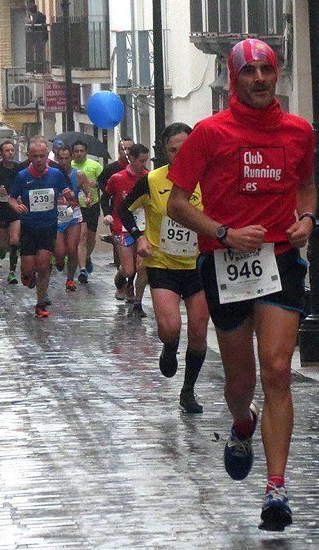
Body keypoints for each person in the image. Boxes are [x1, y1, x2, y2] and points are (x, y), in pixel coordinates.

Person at [167, 38, 315, 532]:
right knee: (240, 381)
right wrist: (224, 233)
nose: (259, 79)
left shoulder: (298, 131)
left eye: (266, 70)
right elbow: (177, 204)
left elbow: (308, 185)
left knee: (277, 368)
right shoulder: (209, 133)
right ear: (234, 78)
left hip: (281, 259)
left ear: (277, 75)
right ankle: (242, 422)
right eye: (249, 72)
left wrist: (308, 218)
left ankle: (276, 489)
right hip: (226, 262)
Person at [118, 123, 209, 413]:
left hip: (199, 265)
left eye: (185, 148)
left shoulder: (208, 179)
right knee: (170, 327)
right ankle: (169, 347)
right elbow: (123, 210)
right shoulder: (153, 180)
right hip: (163, 264)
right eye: (173, 150)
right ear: (164, 151)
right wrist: (139, 237)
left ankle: (188, 390)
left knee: (198, 331)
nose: (180, 155)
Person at [9, 137, 73, 318]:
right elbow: (12, 198)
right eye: (35, 156)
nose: (38, 160)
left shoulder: (56, 174)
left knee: (44, 266)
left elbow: (69, 194)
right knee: (28, 271)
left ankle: (40, 303)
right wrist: (16, 206)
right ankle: (29, 277)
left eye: (42, 156)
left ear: (47, 156)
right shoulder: (22, 176)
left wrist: (69, 194)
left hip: (48, 226)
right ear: (29, 156)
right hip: (28, 227)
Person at [103, 144, 149, 309]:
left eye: (146, 160)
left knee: (142, 266)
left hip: (143, 227)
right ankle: (121, 280)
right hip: (122, 226)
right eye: (141, 161)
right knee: (129, 270)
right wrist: (107, 214)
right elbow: (105, 197)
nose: (143, 164)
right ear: (132, 159)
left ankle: (138, 301)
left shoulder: (149, 177)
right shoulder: (117, 178)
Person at [98, 137, 134, 291]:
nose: (126, 152)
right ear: (119, 150)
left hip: (138, 218)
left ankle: (130, 283)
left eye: (129, 149)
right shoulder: (112, 169)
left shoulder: (143, 173)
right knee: (122, 252)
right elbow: (102, 185)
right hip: (118, 215)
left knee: (136, 257)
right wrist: (111, 192)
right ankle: (124, 279)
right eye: (123, 149)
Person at [0, 140, 25, 284]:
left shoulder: (19, 168)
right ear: (1, 154)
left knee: (15, 240)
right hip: (1, 209)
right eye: (7, 151)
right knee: (3, 243)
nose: (10, 153)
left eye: (12, 150)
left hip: (14, 209)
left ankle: (12, 272)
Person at [54, 146, 90, 291]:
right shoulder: (52, 174)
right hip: (56, 216)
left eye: (66, 158)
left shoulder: (79, 175)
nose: (63, 161)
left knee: (73, 248)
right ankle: (59, 260)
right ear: (57, 158)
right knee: (60, 251)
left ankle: (70, 280)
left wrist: (87, 198)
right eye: (61, 158)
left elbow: (88, 192)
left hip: (73, 215)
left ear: (71, 158)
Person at [71, 141, 104, 282]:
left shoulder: (95, 166)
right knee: (82, 237)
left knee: (91, 237)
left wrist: (96, 184)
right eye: (76, 151)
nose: (79, 153)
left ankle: (87, 256)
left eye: (82, 151)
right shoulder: (70, 166)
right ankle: (82, 269)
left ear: (86, 151)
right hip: (77, 206)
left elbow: (104, 183)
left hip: (92, 205)